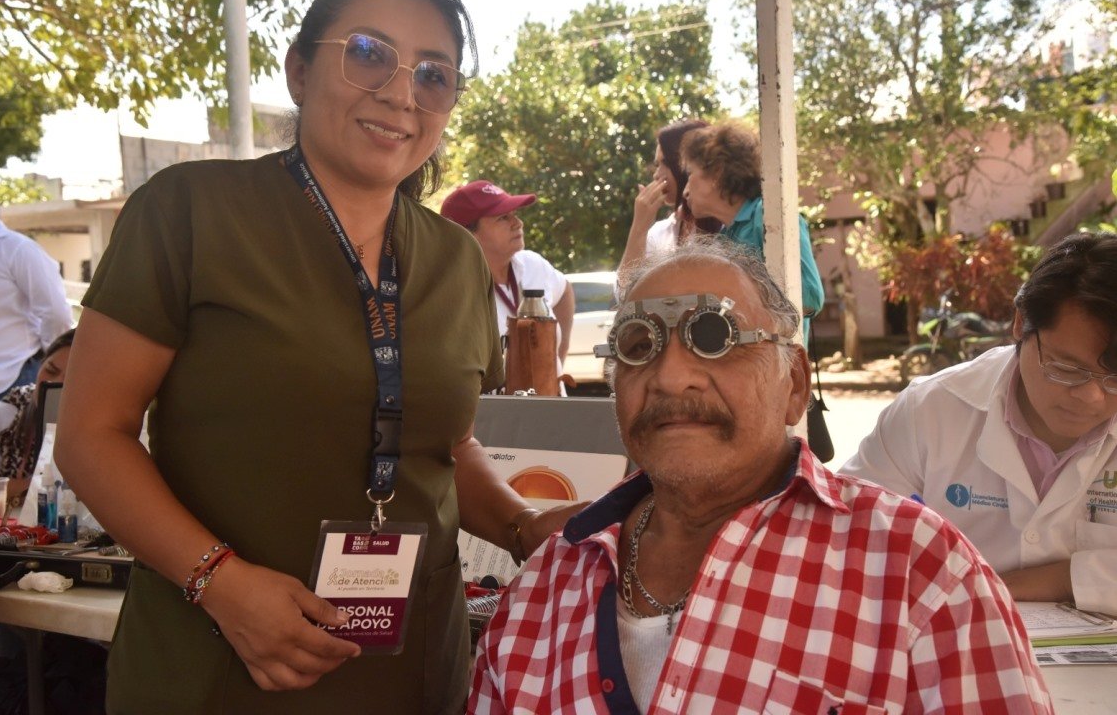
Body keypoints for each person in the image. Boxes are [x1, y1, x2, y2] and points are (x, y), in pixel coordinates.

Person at [54, 0, 574, 714]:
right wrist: (220, 582)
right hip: (215, 665)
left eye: (434, 75)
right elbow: (91, 435)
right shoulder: (190, 212)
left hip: (412, 669)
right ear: (299, 69)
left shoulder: (457, 260)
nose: (401, 93)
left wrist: (525, 526)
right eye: (368, 53)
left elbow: (442, 446)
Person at [470, 237, 1051, 713]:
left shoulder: (919, 574)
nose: (672, 378)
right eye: (638, 344)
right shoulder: (547, 583)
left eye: (715, 339)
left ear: (795, 383)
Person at [842, 231, 1117, 617]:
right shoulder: (932, 411)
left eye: (1113, 380)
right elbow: (846, 534)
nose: (1092, 397)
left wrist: (1025, 582)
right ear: (1020, 324)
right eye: (1066, 368)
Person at [677, 120, 824, 344]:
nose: (685, 191)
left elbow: (810, 297)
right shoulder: (724, 238)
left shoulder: (768, 214)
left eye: (690, 174)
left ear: (716, 172)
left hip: (778, 369)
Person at [0, 168, 72, 431]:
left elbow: (55, 313)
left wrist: (50, 369)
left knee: (5, 471)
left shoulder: (17, 250)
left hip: (7, 385)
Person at [440, 180, 574, 366]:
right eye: (503, 218)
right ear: (467, 235)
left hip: (550, 394)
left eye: (515, 215)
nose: (518, 223)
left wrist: (560, 354)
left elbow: (565, 290)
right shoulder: (451, 292)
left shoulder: (532, 265)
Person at [0, 328, 74, 508]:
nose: (52, 384)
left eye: (71, 380)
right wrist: (21, 487)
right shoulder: (12, 410)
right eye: (50, 370)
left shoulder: (106, 429)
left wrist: (18, 488)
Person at [615, 119, 714, 289]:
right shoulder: (660, 232)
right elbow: (624, 293)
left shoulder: (729, 224)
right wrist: (639, 227)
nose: (656, 175)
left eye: (665, 164)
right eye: (656, 165)